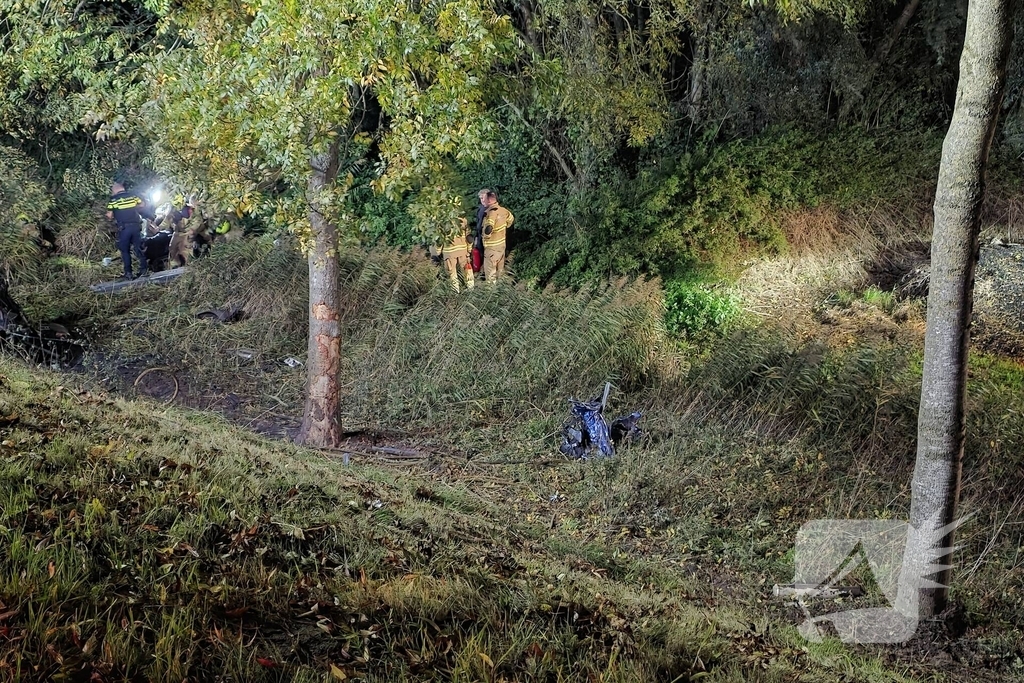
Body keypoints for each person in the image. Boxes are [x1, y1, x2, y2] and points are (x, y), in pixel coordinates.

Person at [105, 182, 154, 280]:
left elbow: (109, 216)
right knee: (138, 248)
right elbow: (142, 205)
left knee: (125, 251)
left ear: (114, 190)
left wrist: (111, 215)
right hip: (136, 226)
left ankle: (129, 273)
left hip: (124, 228)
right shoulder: (132, 196)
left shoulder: (113, 200)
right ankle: (144, 270)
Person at [480, 190, 513, 284]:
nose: (483, 202)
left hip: (491, 249)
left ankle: (491, 296)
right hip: (501, 246)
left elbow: (489, 228)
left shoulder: (491, 213)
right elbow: (510, 220)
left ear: (489, 201)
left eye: (484, 199)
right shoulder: (504, 211)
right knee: (500, 273)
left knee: (490, 276)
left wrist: (486, 236)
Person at [440, 218, 475, 293]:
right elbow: (469, 238)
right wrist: (469, 250)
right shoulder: (463, 220)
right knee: (467, 269)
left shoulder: (441, 221)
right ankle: (471, 289)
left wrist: (437, 252)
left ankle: (455, 292)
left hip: (449, 252)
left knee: (451, 273)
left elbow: (438, 240)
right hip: (463, 250)